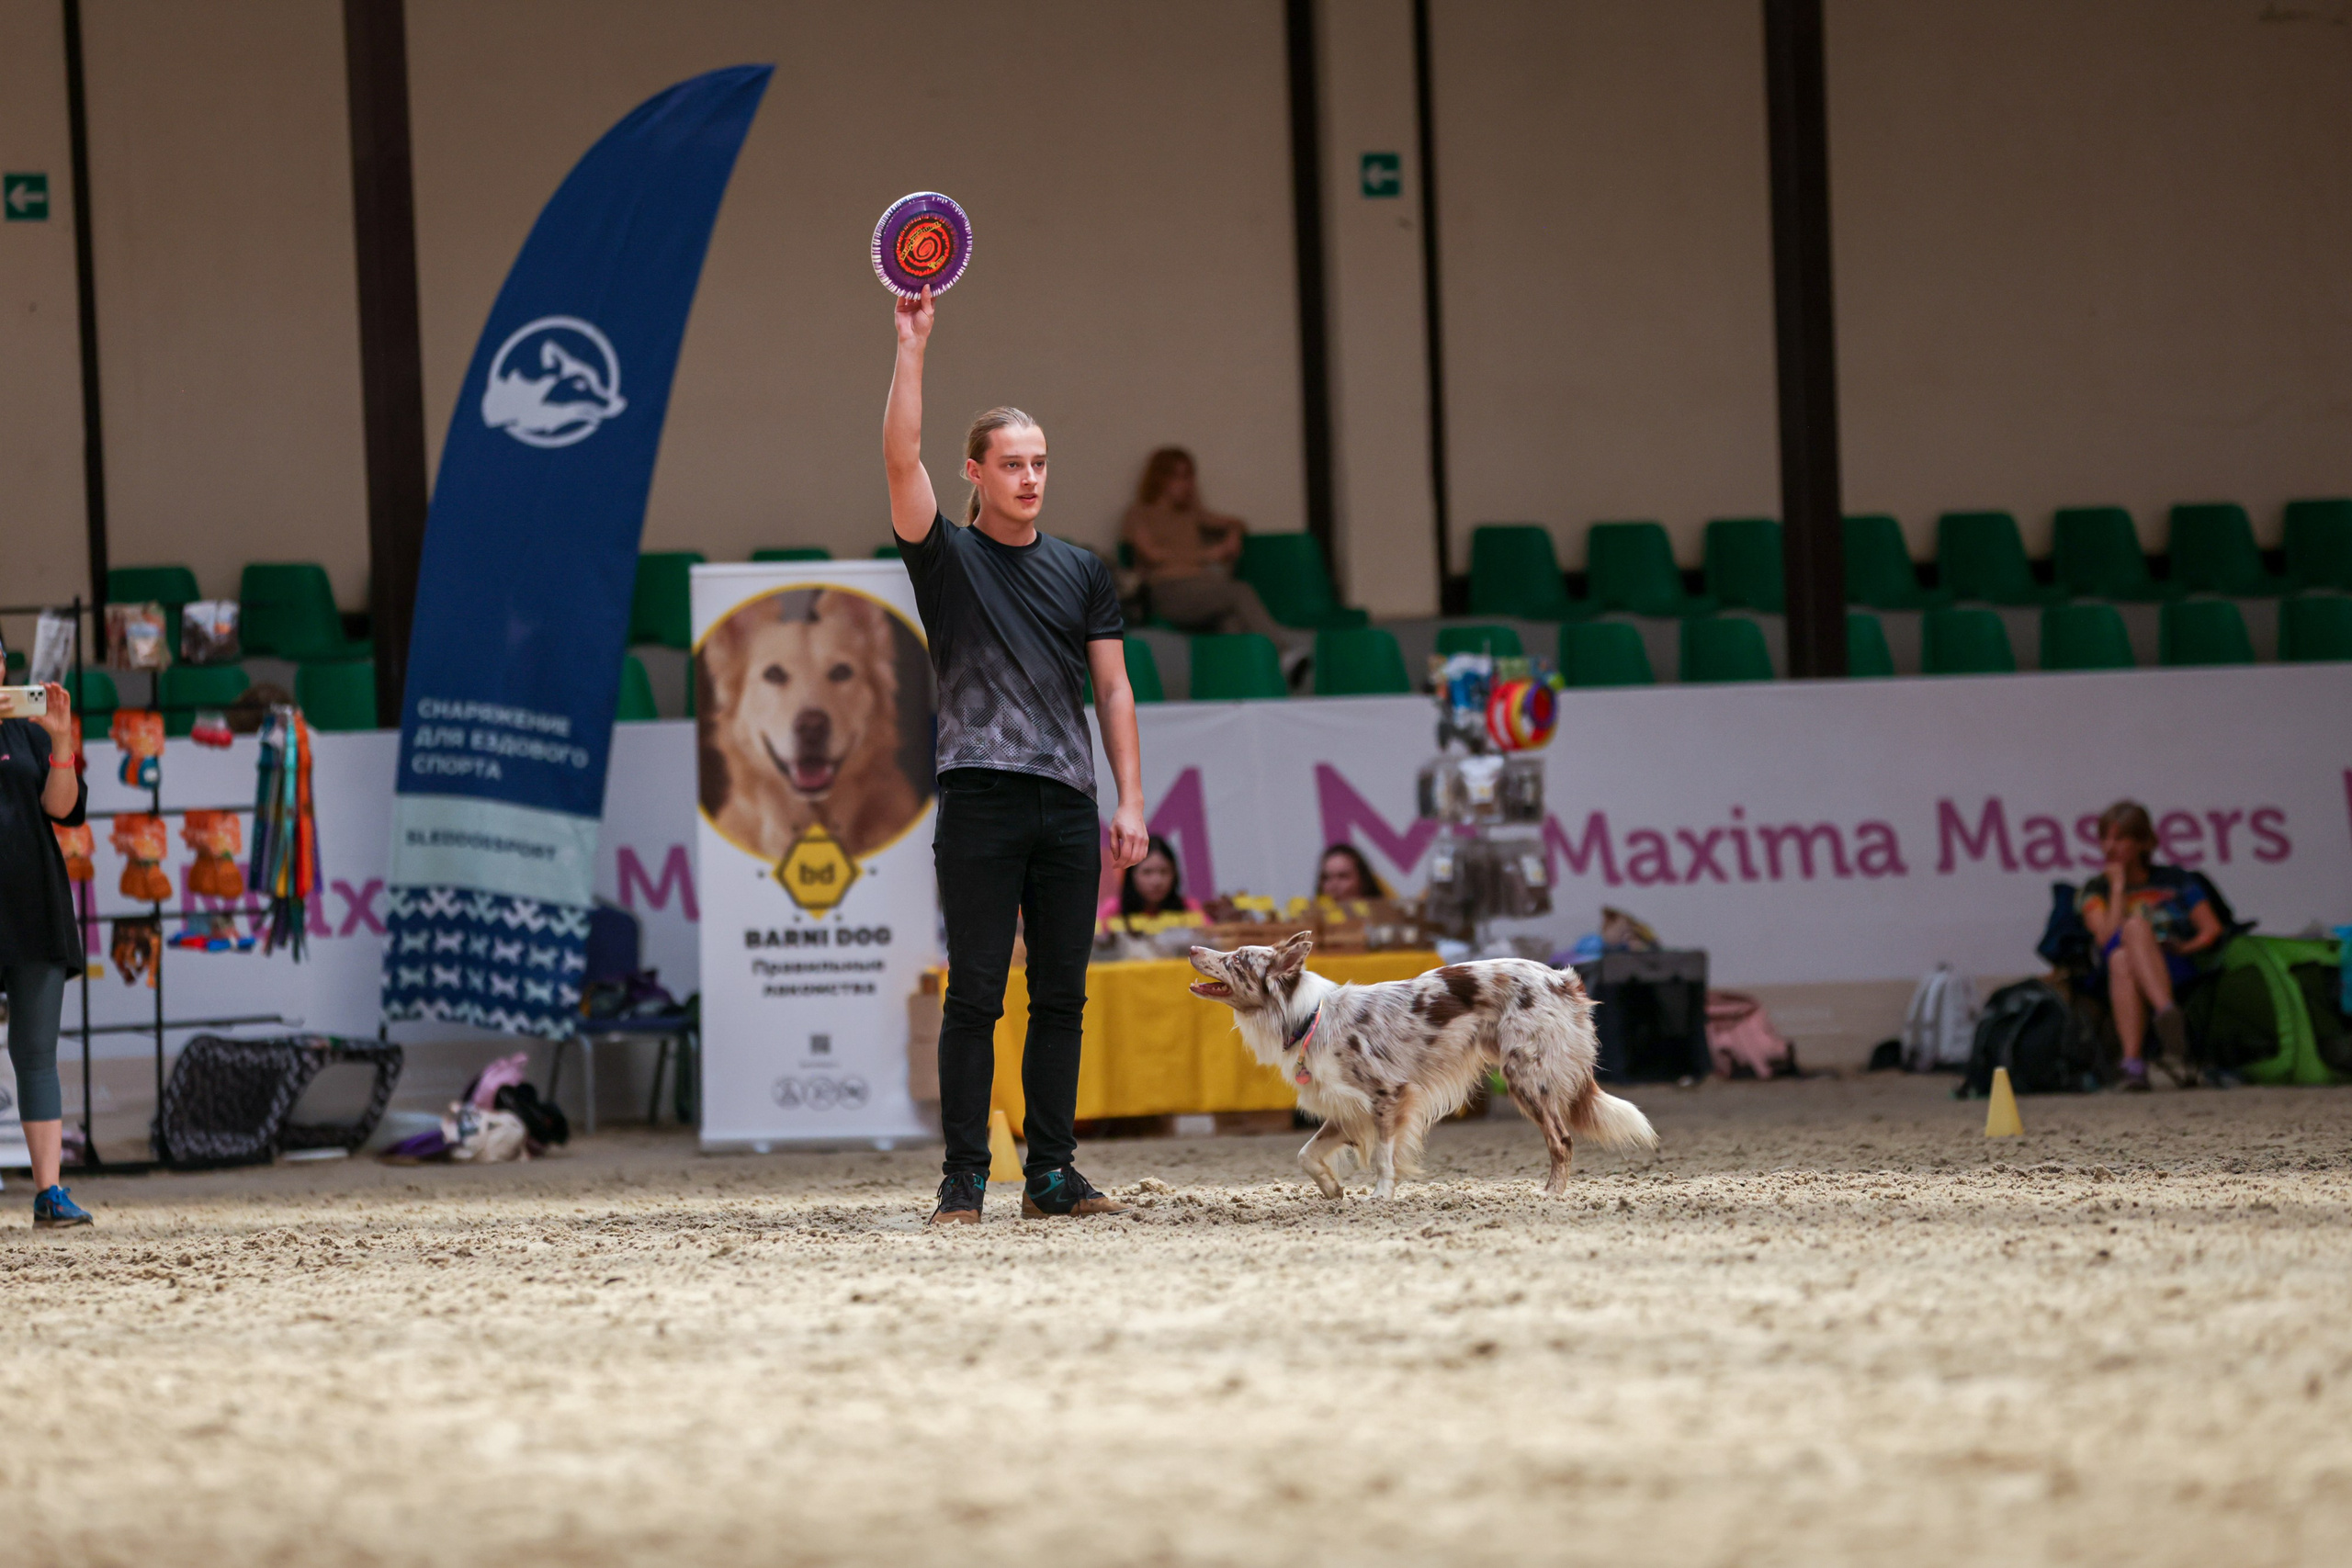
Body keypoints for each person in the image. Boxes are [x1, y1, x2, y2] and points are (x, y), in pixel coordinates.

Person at [886, 283, 1149, 1225]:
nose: (1031, 477)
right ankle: (964, 1176)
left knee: (1064, 998)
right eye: (1012, 463)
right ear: (977, 471)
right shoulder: (945, 559)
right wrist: (911, 346)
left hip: (1068, 806)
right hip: (981, 801)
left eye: (1039, 463)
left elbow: (1112, 689)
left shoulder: (1082, 570)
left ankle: (1049, 1174)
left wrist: (1130, 801)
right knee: (976, 994)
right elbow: (898, 458)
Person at [1, 681, 95, 1226]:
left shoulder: (27, 734)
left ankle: (49, 1195)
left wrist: (60, 741)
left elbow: (64, 809)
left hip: (33, 907)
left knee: (36, 1053)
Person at [2078, 800, 2222, 1089]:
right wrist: (2118, 887)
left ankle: (2133, 1066)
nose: (2109, 847)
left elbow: (2211, 929)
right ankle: (2168, 1015)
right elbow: (2105, 938)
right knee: (2125, 946)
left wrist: (2185, 948)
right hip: (2115, 968)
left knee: (2128, 947)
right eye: (2105, 838)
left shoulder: (2176, 881)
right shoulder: (2096, 889)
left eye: (2120, 839)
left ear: (2144, 843)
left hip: (2171, 963)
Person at [1120, 447, 1306, 671]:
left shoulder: (1192, 514)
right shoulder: (1139, 513)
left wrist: (1233, 537)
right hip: (1169, 591)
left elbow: (1237, 523)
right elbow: (1152, 555)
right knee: (1238, 591)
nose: (1186, 484)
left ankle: (1240, 684)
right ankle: (1283, 653)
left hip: (1205, 588)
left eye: (1189, 476)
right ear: (1161, 479)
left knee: (1230, 622)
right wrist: (1207, 555)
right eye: (1178, 477)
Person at [1097, 835, 1203, 928]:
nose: (1156, 881)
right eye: (1147, 872)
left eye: (1164, 872)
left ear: (1175, 874)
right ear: (1131, 875)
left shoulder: (1189, 908)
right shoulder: (1112, 910)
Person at [1315, 842, 1389, 903]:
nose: (1333, 885)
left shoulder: (1388, 918)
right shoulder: (1309, 920)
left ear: (1363, 882)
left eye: (1343, 877)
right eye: (1326, 878)